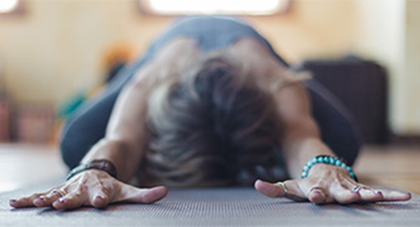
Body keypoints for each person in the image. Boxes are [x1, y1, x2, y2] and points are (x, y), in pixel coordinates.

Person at [10, 16, 411, 210]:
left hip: (249, 47)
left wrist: (321, 166)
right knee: (79, 146)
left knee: (340, 146)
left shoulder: (270, 75)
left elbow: (299, 133)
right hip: (170, 49)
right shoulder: (152, 78)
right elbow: (123, 140)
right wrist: (95, 170)